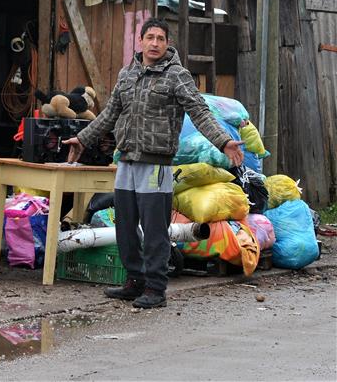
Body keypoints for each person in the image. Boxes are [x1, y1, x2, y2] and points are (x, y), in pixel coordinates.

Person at [62, 17, 244, 309]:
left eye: (161, 38)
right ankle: (134, 281)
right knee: (124, 225)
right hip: (127, 162)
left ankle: (156, 288)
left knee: (155, 229)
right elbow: (110, 113)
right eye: (151, 38)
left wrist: (223, 141)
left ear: (167, 43)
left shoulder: (177, 75)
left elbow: (199, 112)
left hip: (156, 165)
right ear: (142, 41)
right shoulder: (127, 74)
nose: (155, 43)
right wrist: (82, 139)